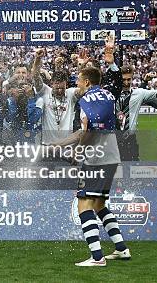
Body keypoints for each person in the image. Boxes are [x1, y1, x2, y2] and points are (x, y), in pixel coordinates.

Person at [58, 67, 130, 267]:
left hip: (96, 159)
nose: (77, 85)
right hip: (111, 155)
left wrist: (79, 152)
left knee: (84, 204)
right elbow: (87, 131)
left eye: (79, 81)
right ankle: (121, 248)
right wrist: (59, 145)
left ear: (87, 82)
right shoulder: (106, 95)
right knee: (99, 204)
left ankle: (97, 257)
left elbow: (91, 131)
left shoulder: (87, 100)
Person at [115, 65, 157, 161]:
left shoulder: (138, 93)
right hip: (114, 138)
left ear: (132, 78)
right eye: (123, 80)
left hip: (131, 140)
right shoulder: (112, 94)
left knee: (132, 170)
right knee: (114, 172)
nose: (126, 83)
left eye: (129, 79)